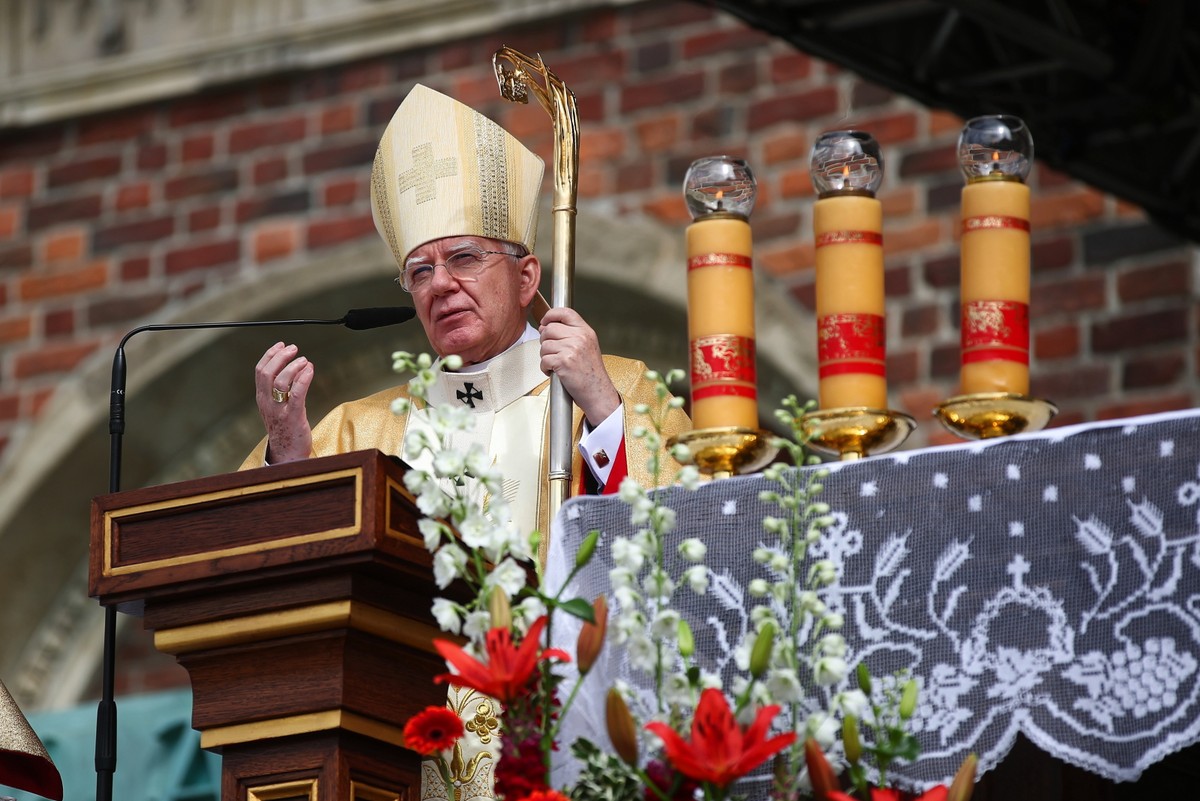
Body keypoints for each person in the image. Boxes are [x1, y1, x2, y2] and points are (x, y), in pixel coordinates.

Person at [240, 84, 690, 801]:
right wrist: (288, 454)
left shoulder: (618, 389)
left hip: (568, 733)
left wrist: (600, 406)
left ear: (527, 275)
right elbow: (263, 573)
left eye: (464, 258)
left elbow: (686, 542)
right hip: (394, 750)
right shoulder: (360, 427)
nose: (440, 284)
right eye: (421, 271)